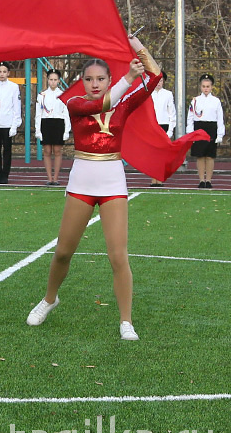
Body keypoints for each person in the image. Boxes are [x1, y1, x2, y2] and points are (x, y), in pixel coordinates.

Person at [26, 37, 159, 342]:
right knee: (62, 252)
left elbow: (156, 76)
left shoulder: (125, 101)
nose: (95, 84)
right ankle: (49, 299)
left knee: (118, 256)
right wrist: (129, 77)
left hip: (113, 180)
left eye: (101, 79)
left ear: (108, 79)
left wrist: (137, 45)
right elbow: (103, 104)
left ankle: (126, 321)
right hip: (82, 181)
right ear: (82, 82)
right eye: (89, 79)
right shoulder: (75, 103)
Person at [187, 74, 224, 189]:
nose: (206, 88)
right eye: (203, 86)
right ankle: (201, 180)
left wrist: (220, 134)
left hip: (211, 128)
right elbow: (190, 117)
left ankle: (208, 180)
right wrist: (190, 132)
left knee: (210, 156)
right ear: (200, 87)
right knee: (200, 156)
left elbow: (220, 118)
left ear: (212, 87)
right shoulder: (195, 101)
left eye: (208, 86)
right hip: (199, 128)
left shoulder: (216, 101)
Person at [35, 69, 71, 186]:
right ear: (48, 80)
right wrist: (38, 130)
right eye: (51, 79)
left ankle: (56, 178)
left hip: (58, 123)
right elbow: (38, 114)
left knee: (57, 150)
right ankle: (49, 178)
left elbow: (66, 113)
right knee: (47, 151)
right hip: (46, 122)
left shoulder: (63, 95)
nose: (53, 82)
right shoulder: (42, 95)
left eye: (55, 80)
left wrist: (66, 130)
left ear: (59, 81)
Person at [149, 71, 176, 186]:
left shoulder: (168, 94)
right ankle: (153, 178)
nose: (159, 83)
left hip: (163, 125)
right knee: (152, 154)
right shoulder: (148, 94)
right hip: (151, 125)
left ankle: (159, 178)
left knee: (161, 154)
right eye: (157, 80)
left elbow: (172, 113)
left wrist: (170, 130)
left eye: (161, 80)